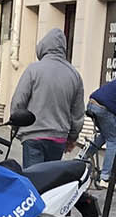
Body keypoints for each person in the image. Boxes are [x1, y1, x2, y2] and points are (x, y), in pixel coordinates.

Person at [5, 27, 85, 168]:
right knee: (50, 182)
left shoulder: (33, 70)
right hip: (58, 137)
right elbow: (77, 114)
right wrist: (72, 138)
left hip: (33, 135)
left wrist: (15, 124)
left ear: (43, 47)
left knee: (34, 180)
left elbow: (18, 101)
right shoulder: (74, 75)